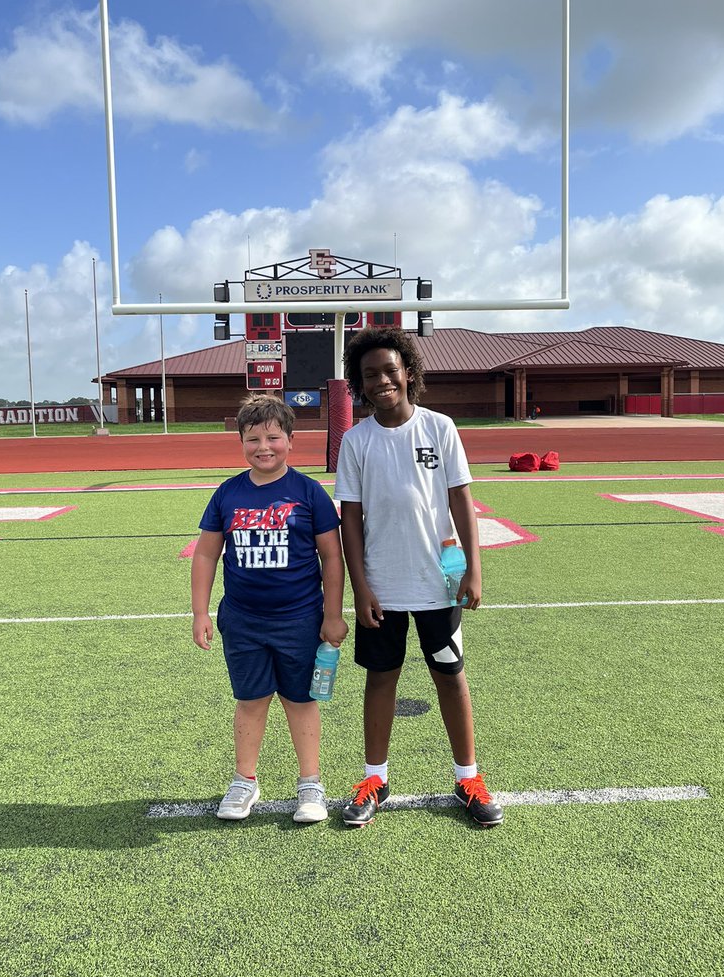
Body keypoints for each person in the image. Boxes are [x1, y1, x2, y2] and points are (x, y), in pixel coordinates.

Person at [334, 327, 503, 828]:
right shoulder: (356, 441)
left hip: (439, 581)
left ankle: (468, 777)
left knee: (450, 676)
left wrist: (473, 569)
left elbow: (461, 500)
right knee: (380, 678)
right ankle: (375, 779)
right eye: (370, 375)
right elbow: (350, 518)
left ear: (408, 372)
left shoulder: (440, 428)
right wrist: (361, 587)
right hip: (382, 583)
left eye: (390, 370)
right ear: (359, 384)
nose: (381, 381)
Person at [191, 394, 347, 824]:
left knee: (301, 700)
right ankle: (245, 780)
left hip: (300, 620)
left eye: (273, 437)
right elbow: (206, 553)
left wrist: (333, 614)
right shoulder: (228, 493)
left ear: (291, 441)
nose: (264, 447)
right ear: (241, 442)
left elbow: (332, 557)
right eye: (253, 439)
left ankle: (310, 783)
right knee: (251, 700)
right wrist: (200, 612)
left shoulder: (308, 492)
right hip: (243, 620)